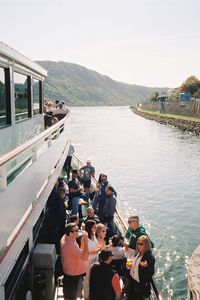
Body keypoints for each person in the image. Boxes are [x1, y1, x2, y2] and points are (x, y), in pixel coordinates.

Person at [60, 223, 89, 300]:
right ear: (70, 233)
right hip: (73, 275)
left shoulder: (65, 237)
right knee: (72, 296)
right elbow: (85, 257)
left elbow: (76, 234)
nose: (78, 231)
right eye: (76, 230)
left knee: (68, 294)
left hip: (68, 272)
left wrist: (81, 232)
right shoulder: (71, 246)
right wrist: (86, 240)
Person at [127, 235, 155, 300]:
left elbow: (151, 273)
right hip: (133, 282)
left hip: (140, 286)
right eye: (138, 243)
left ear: (146, 245)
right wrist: (129, 266)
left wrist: (146, 266)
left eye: (141, 244)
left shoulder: (150, 257)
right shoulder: (138, 252)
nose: (139, 245)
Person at [82, 220, 100, 300]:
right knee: (87, 279)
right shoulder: (84, 239)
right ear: (90, 228)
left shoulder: (94, 234)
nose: (96, 228)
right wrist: (94, 251)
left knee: (93, 277)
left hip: (95, 258)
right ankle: (86, 296)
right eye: (94, 227)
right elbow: (82, 252)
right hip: (88, 260)